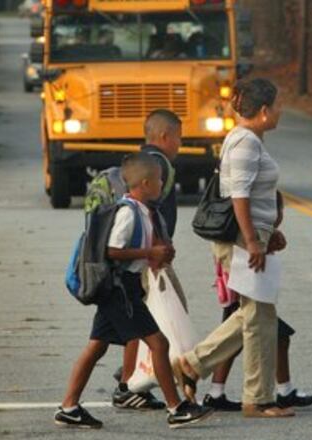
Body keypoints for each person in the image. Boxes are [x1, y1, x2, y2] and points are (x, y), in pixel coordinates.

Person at [55, 153, 213, 429]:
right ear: (145, 182)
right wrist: (149, 251)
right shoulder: (127, 212)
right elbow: (112, 250)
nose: (164, 184)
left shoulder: (142, 210)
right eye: (160, 180)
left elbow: (137, 252)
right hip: (120, 290)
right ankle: (176, 407)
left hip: (121, 289)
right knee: (159, 344)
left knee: (97, 346)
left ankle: (69, 407)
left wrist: (158, 255)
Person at [172, 78, 296, 418]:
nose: (281, 111)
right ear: (265, 110)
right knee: (257, 317)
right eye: (278, 105)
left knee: (257, 315)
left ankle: (194, 364)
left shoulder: (251, 140)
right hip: (243, 239)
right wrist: (254, 240)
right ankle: (257, 399)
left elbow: (256, 195)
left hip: (254, 235)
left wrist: (270, 233)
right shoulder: (244, 142)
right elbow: (238, 195)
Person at [204, 191, 312, 412]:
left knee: (244, 341)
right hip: (243, 296)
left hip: (239, 295)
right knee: (266, 336)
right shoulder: (250, 236)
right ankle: (283, 391)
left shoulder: (251, 233)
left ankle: (216, 391)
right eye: (277, 213)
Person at [112, 110, 187, 410]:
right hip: (148, 256)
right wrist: (159, 250)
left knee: (140, 322)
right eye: (179, 137)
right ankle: (130, 382)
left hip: (143, 256)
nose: (181, 144)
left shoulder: (137, 160)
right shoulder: (159, 166)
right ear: (165, 136)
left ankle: (132, 379)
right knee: (150, 320)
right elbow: (153, 209)